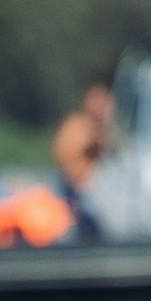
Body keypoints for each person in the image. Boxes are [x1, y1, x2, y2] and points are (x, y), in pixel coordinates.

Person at [53, 82, 113, 240]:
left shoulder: (103, 130)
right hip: (77, 191)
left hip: (94, 193)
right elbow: (66, 154)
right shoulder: (76, 126)